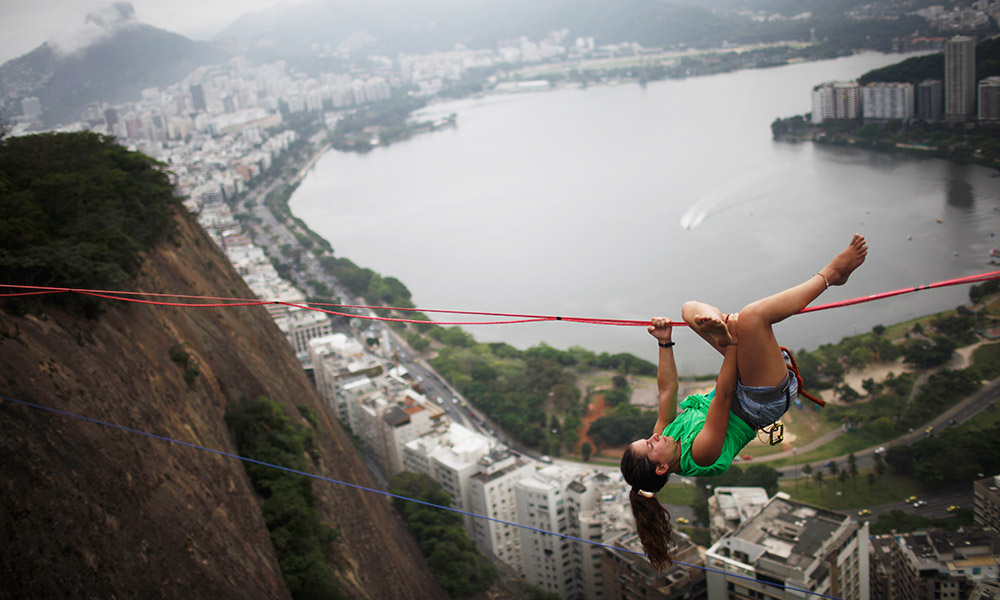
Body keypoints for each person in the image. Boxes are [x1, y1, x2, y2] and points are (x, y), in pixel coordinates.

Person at [620, 234, 868, 570]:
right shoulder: (700, 456)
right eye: (649, 446)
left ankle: (722, 325)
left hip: (737, 382)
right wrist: (732, 345)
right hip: (759, 400)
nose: (653, 437)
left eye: (646, 439)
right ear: (662, 467)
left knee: (689, 310)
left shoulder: (667, 435)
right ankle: (830, 275)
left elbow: (667, 390)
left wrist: (665, 343)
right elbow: (721, 398)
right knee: (752, 317)